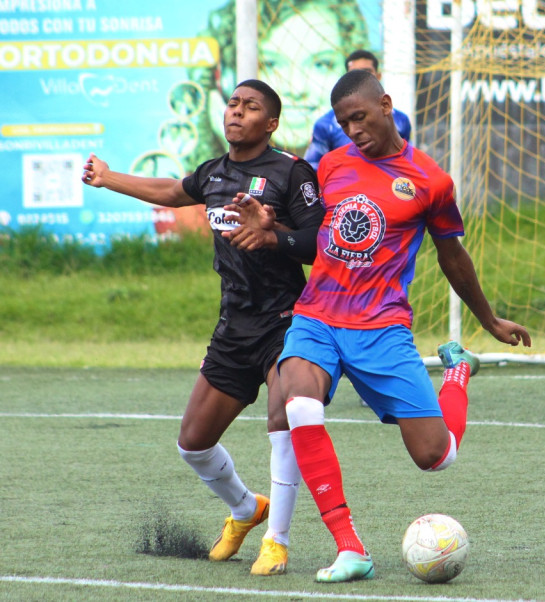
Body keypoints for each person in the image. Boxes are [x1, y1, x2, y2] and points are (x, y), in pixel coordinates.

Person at [269, 70, 531, 582]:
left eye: (360, 117)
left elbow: (452, 254)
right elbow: (310, 237)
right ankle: (350, 548)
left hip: (381, 327)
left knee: (435, 457)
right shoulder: (331, 165)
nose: (353, 130)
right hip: (317, 315)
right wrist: (272, 231)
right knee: (297, 401)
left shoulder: (430, 180)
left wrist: (489, 319)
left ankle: (457, 374)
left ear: (386, 105)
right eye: (344, 122)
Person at [81, 79, 325, 576]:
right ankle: (245, 509)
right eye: (233, 103)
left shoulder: (292, 172)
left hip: (287, 322)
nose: (237, 112)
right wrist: (108, 178)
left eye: (251, 106)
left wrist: (273, 234)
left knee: (285, 422)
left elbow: (320, 244)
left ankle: (276, 542)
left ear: (271, 122)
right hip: (234, 327)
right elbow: (173, 191)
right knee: (192, 443)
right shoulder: (214, 172)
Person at [186, 0, 370, 169]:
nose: (296, 88)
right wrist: (236, 144)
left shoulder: (369, 153)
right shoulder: (199, 180)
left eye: (321, 64)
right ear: (224, 80)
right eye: (271, 65)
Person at [304, 49, 412, 171]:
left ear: (378, 76)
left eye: (367, 72)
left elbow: (409, 161)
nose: (353, 131)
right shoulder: (325, 124)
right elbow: (312, 168)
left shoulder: (401, 120)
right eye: (354, 74)